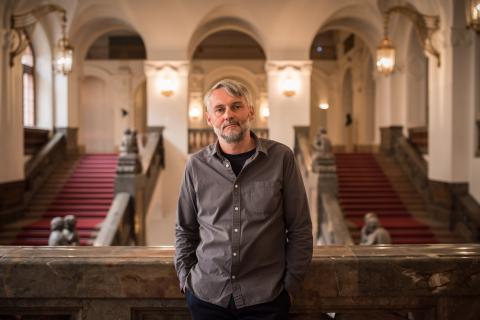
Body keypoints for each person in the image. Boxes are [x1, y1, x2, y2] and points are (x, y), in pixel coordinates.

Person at [175, 79, 313, 320]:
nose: (228, 115)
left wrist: (291, 285)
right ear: (210, 119)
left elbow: (299, 227)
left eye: (236, 106)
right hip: (207, 297)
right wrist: (186, 279)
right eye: (220, 109)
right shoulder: (195, 165)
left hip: (266, 299)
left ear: (251, 111)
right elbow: (185, 229)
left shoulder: (281, 158)